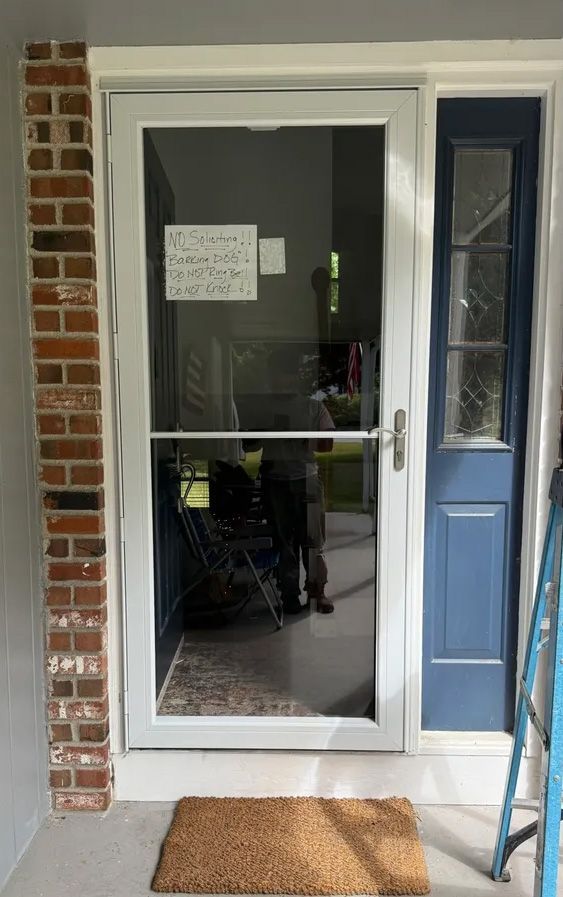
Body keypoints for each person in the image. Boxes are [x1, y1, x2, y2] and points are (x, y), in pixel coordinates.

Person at [254, 347, 335, 615]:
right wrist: (261, 430)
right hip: (274, 482)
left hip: (307, 481)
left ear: (295, 377)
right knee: (283, 542)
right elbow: (250, 445)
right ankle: (288, 595)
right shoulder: (263, 408)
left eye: (286, 374)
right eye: (276, 375)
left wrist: (300, 437)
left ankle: (318, 592)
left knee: (313, 541)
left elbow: (327, 445)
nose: (281, 380)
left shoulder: (313, 407)